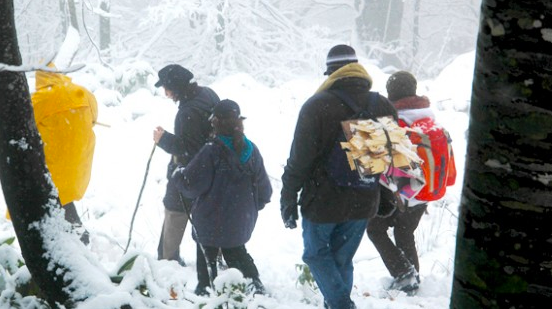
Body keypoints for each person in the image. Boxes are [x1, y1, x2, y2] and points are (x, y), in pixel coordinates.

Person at [280, 44, 398, 309]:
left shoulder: (317, 106)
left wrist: (288, 196)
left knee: (315, 254)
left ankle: (341, 305)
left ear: (331, 73)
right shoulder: (381, 104)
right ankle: (336, 304)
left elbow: (300, 159)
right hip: (365, 198)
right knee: (341, 259)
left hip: (323, 201)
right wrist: (386, 194)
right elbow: (388, 158)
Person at [366, 70, 457, 294]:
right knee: (405, 233)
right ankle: (410, 281)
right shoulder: (430, 121)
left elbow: (378, 164)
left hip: (404, 193)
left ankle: (405, 276)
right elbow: (449, 170)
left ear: (390, 93)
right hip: (426, 193)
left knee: (375, 228)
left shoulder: (395, 123)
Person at [171, 99, 272, 296]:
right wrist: (248, 208)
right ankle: (254, 287)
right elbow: (265, 192)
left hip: (209, 221)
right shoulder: (252, 150)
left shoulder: (212, 150)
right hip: (240, 223)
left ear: (215, 122)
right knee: (236, 253)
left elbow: (191, 186)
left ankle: (206, 291)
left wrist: (178, 174)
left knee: (207, 256)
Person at [152, 64, 220, 265]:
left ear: (177, 87)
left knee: (174, 212)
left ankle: (167, 259)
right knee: (211, 216)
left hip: (188, 172)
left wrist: (162, 139)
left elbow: (189, 149)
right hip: (215, 169)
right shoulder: (208, 93)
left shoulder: (187, 112)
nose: (166, 94)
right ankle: (217, 258)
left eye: (167, 89)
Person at [32, 64, 98, 245]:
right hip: (79, 157)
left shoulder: (38, 99)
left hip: (53, 159)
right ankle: (74, 237)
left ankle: (74, 239)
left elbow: (27, 128)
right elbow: (94, 118)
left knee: (54, 197)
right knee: (62, 198)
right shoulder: (82, 93)